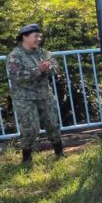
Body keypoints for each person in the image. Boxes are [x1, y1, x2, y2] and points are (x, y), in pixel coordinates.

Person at [7, 23, 63, 165]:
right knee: (30, 129)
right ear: (25, 37)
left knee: (53, 124)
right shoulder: (15, 55)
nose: (39, 39)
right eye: (35, 36)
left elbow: (56, 68)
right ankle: (26, 160)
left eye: (39, 36)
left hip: (45, 95)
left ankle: (59, 154)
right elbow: (17, 77)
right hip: (25, 98)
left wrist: (48, 67)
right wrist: (38, 70)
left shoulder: (44, 53)